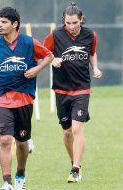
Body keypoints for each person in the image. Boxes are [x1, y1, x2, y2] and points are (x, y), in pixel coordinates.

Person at [0, 7, 54, 190]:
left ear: (15, 24)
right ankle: (6, 182)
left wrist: (36, 70)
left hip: (23, 98)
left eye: (4, 22)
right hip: (0, 98)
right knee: (5, 139)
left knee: (22, 142)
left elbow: (49, 55)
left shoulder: (29, 42)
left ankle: (20, 174)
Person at [43, 2, 102, 183]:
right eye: (68, 23)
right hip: (61, 89)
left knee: (77, 128)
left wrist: (95, 68)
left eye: (75, 23)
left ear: (81, 20)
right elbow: (44, 52)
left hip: (82, 88)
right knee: (67, 132)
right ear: (64, 21)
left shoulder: (90, 35)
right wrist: (53, 60)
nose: (71, 27)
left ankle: (75, 169)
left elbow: (92, 53)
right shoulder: (55, 36)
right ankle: (74, 163)